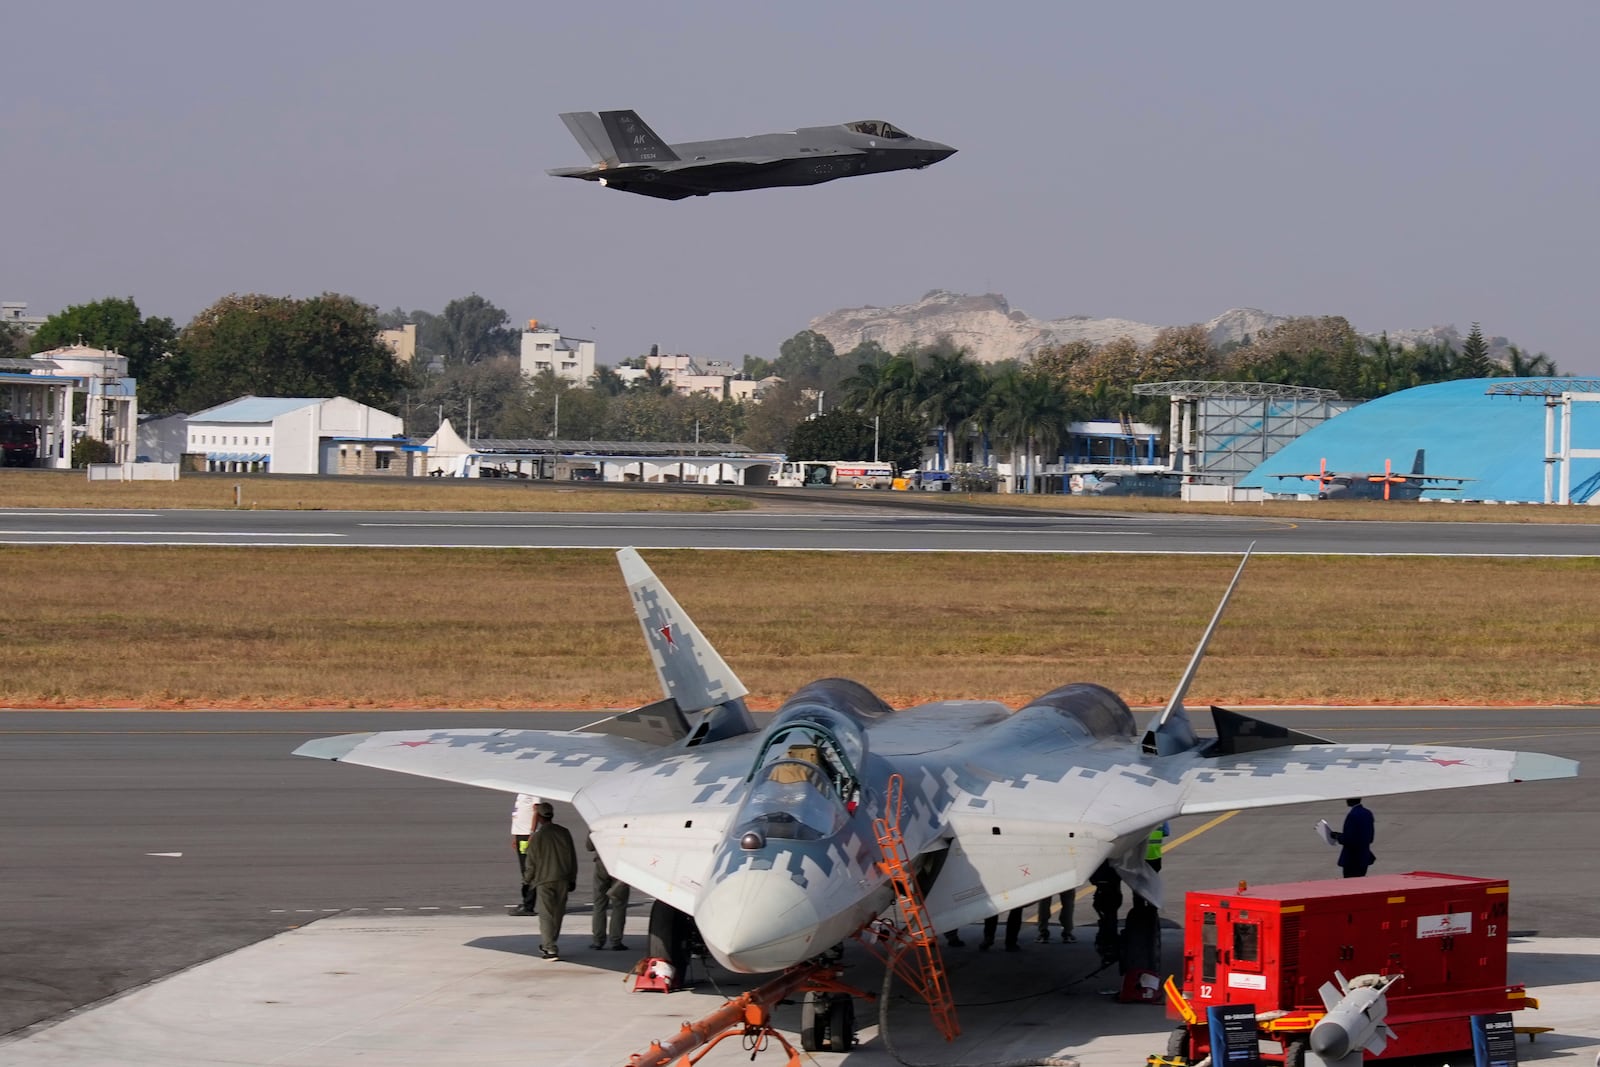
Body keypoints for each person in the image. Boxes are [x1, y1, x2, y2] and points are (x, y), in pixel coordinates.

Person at [522, 801, 578, 959]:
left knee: (546, 914)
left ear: (539, 817)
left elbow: (531, 863)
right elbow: (572, 858)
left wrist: (526, 881)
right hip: (563, 878)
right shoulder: (564, 832)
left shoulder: (538, 837)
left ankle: (549, 947)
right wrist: (572, 878)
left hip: (544, 880)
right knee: (558, 913)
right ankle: (551, 941)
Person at [588, 835, 630, 950]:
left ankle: (598, 940)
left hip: (601, 863)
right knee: (619, 904)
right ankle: (615, 941)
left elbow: (589, 846)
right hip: (620, 863)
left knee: (599, 904)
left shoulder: (603, 820)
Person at [1329, 798, 1376, 877]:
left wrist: (1337, 836)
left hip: (1352, 859)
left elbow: (1349, 839)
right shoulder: (1367, 813)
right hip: (1364, 856)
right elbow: (1369, 837)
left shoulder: (1352, 815)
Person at [509, 793, 538, 916]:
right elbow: (517, 814)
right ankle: (526, 901)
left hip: (527, 836)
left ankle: (529, 905)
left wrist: (532, 832)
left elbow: (536, 811)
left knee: (528, 870)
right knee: (524, 869)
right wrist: (515, 836)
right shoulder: (520, 793)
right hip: (520, 835)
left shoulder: (533, 792)